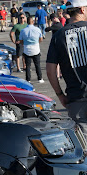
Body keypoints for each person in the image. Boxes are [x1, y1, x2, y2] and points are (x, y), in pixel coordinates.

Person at [46, 0, 87, 138]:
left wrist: (59, 94)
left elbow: (50, 70)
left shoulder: (59, 36)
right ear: (82, 9)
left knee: (83, 144)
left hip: (76, 97)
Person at [19, 16, 44, 83]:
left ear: (27, 22)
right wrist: (37, 42)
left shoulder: (23, 30)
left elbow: (21, 40)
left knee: (28, 65)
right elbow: (41, 39)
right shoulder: (37, 29)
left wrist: (24, 43)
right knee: (37, 64)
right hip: (35, 48)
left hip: (27, 48)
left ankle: (28, 79)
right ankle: (40, 78)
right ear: (33, 22)